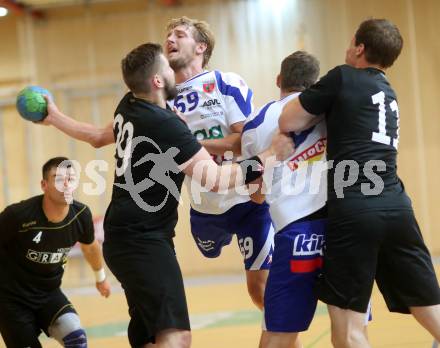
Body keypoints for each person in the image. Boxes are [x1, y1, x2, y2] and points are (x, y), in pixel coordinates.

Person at [42, 43, 293, 347]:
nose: (174, 73)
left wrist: (53, 116)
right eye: (167, 69)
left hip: (124, 239)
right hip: (142, 239)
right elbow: (214, 179)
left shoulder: (129, 106)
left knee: (150, 338)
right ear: (158, 81)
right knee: (177, 337)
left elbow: (96, 137)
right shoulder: (166, 125)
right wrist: (267, 155)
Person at [278, 18, 440, 347]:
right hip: (397, 209)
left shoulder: (343, 77)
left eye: (351, 41)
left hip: (354, 209)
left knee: (348, 329)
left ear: (360, 48)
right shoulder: (388, 92)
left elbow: (288, 119)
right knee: (431, 309)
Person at [163, 16, 273, 309]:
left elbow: (242, 141)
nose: (170, 40)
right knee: (209, 254)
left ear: (200, 47)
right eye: (168, 36)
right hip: (205, 209)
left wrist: (189, 142)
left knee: (260, 292)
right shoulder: (163, 98)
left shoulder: (225, 83)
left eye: (179, 35)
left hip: (248, 202)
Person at [242, 50, 325, 348]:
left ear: (279, 79)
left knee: (277, 333)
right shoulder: (331, 107)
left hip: (296, 232)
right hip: (343, 228)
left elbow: (255, 192)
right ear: (315, 82)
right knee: (350, 329)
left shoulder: (257, 122)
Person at [0, 156, 111, 348]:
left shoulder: (81, 214)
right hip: (11, 299)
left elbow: (91, 246)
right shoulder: (18, 215)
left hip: (48, 293)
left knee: (77, 339)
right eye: (59, 179)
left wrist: (100, 277)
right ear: (44, 185)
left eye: (71, 178)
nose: (66, 184)